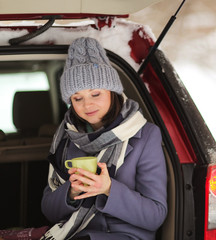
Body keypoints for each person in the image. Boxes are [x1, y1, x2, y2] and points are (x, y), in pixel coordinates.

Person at [41, 37, 168, 240]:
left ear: (112, 92)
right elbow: (48, 210)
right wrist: (70, 193)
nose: (87, 105)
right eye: (77, 98)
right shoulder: (65, 138)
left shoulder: (145, 135)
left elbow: (155, 215)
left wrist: (108, 189)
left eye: (95, 94)